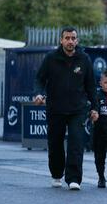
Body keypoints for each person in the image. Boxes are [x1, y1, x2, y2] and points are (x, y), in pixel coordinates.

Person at [34, 26, 98, 191]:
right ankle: (56, 174)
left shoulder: (84, 59)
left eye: (73, 38)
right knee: (55, 143)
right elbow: (40, 80)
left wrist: (95, 108)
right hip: (55, 108)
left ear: (77, 40)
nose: (70, 41)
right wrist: (39, 94)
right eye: (67, 38)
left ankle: (74, 178)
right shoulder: (51, 58)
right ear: (61, 40)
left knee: (76, 143)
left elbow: (91, 85)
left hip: (78, 109)